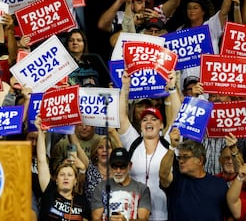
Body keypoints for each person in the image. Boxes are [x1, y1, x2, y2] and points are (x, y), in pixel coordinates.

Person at [117, 69, 181, 221]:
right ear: (140, 125)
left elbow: (178, 118)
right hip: (134, 215)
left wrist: (172, 88)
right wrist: (125, 87)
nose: (149, 122)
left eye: (154, 119)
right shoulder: (133, 142)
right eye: (145, 120)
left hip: (165, 215)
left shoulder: (169, 142)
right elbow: (121, 117)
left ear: (161, 125)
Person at [159, 127, 232, 221]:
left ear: (200, 160)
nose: (181, 161)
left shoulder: (219, 184)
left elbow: (230, 215)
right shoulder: (176, 181)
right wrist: (172, 147)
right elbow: (163, 174)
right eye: (179, 158)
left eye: (185, 157)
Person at [34, 115, 91, 221]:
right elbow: (41, 160)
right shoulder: (49, 191)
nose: (66, 177)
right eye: (62, 174)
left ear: (75, 181)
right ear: (56, 180)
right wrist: (41, 133)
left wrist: (82, 168)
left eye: (70, 175)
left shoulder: (82, 201)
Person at [90, 147, 151, 221]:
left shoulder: (142, 189)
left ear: (130, 166)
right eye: (114, 166)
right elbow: (95, 219)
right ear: (109, 166)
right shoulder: (100, 187)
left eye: (122, 167)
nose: (118, 171)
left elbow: (143, 219)